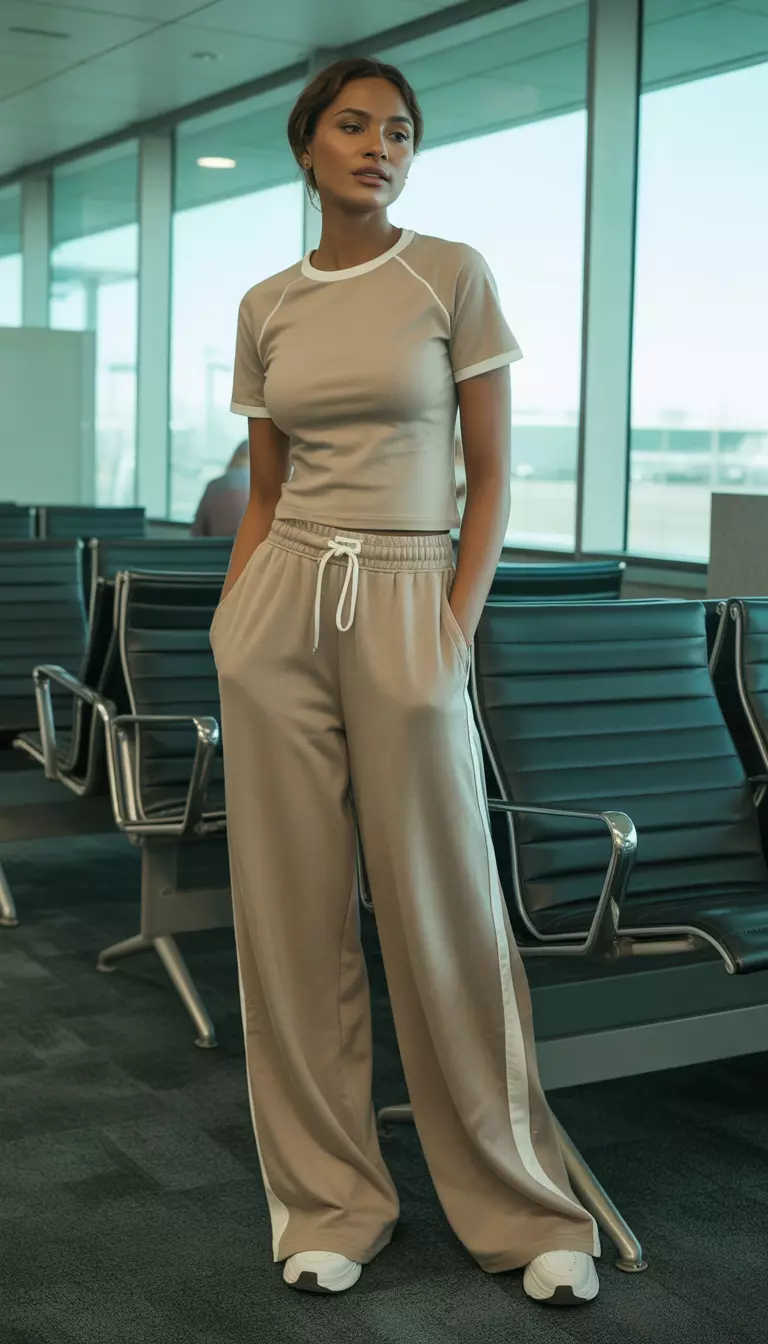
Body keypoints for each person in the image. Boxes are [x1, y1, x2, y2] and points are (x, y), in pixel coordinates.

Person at [210, 56, 601, 1305]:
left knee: (445, 916)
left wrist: (450, 633)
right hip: (281, 612)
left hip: (408, 599)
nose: (383, 147)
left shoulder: (451, 274)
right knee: (292, 917)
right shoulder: (265, 301)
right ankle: (331, 1202)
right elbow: (266, 492)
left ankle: (524, 1208)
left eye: (403, 133)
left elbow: (492, 481)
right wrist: (235, 622)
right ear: (307, 145)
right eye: (357, 127)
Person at [190, 440, 250, 536]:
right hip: (253, 548)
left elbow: (197, 531)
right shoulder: (268, 488)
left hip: (216, 548)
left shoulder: (213, 486)